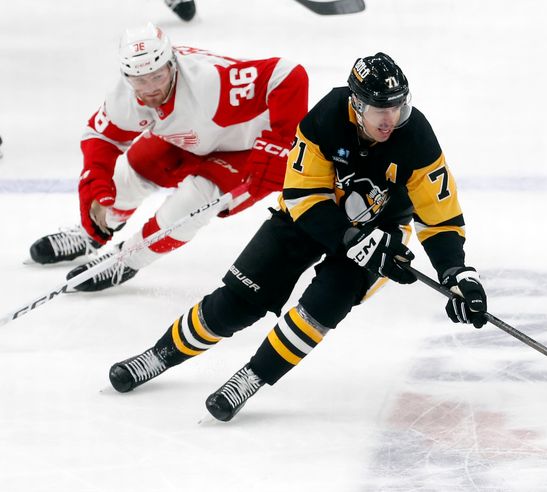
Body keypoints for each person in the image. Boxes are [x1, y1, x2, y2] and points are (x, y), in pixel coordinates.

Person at [107, 52, 488, 422]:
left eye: (397, 107)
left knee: (318, 310)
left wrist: (457, 273)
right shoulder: (326, 117)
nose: (390, 119)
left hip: (380, 233)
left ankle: (252, 377)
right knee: (237, 302)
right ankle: (160, 354)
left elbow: (440, 217)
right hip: (309, 218)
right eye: (379, 109)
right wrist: (351, 237)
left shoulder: (416, 138)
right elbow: (303, 195)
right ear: (356, 105)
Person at [28, 23, 308, 291]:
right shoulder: (123, 97)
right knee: (129, 173)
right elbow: (100, 139)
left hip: (245, 148)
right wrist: (96, 190)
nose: (150, 88)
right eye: (140, 80)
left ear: (172, 64)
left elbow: (288, 74)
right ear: (127, 76)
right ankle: (93, 233)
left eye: (158, 76)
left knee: (190, 205)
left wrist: (281, 144)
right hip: (190, 138)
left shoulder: (211, 82)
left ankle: (126, 260)